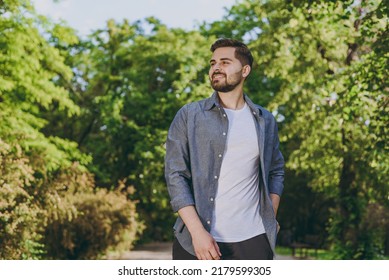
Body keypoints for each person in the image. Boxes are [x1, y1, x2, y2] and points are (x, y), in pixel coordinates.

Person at [165, 38, 284, 260]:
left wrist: (271, 215)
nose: (216, 67)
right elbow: (175, 175)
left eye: (225, 62)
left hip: (254, 239)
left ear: (245, 70)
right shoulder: (190, 115)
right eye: (212, 63)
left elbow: (276, 170)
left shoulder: (264, 120)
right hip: (197, 241)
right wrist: (198, 232)